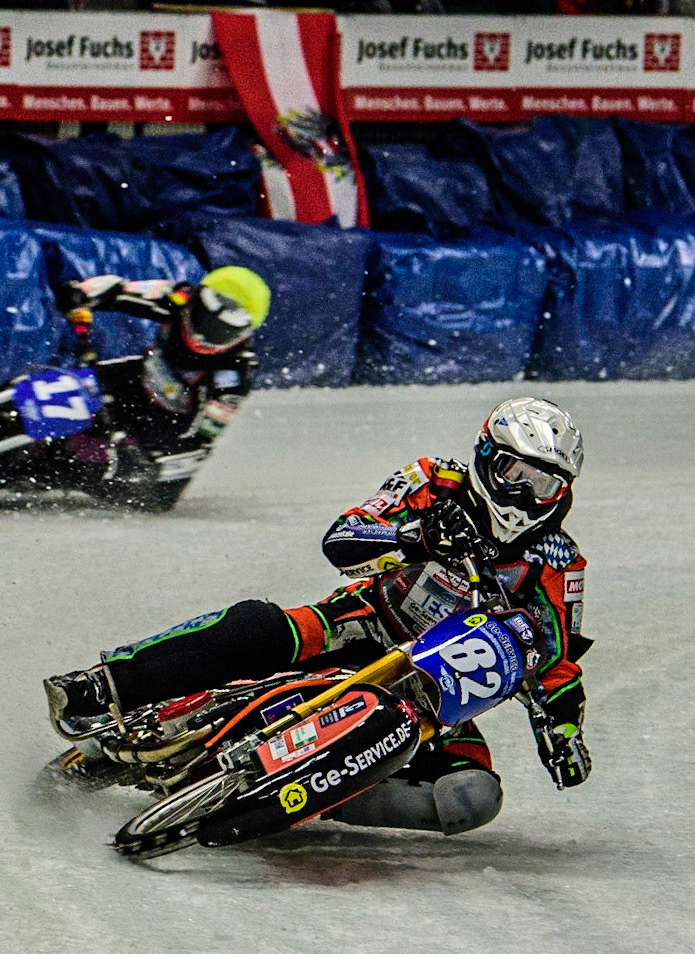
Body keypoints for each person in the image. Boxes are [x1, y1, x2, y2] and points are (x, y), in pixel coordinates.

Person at [44, 397, 591, 835]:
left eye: (542, 484)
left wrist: (564, 732)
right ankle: (103, 685)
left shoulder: (560, 564)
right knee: (259, 625)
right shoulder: (432, 482)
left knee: (472, 797)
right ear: (485, 457)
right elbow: (343, 538)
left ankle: (314, 799)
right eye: (514, 471)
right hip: (360, 623)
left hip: (436, 689)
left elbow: (556, 659)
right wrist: (411, 537)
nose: (523, 493)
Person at [51, 265, 270, 502]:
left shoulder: (236, 369)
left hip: (170, 423)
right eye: (205, 320)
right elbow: (120, 289)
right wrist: (80, 293)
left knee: (138, 493)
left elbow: (205, 435)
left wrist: (156, 463)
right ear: (197, 300)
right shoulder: (179, 297)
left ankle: (53, 468)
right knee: (74, 381)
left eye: (222, 332)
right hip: (140, 378)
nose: (203, 337)